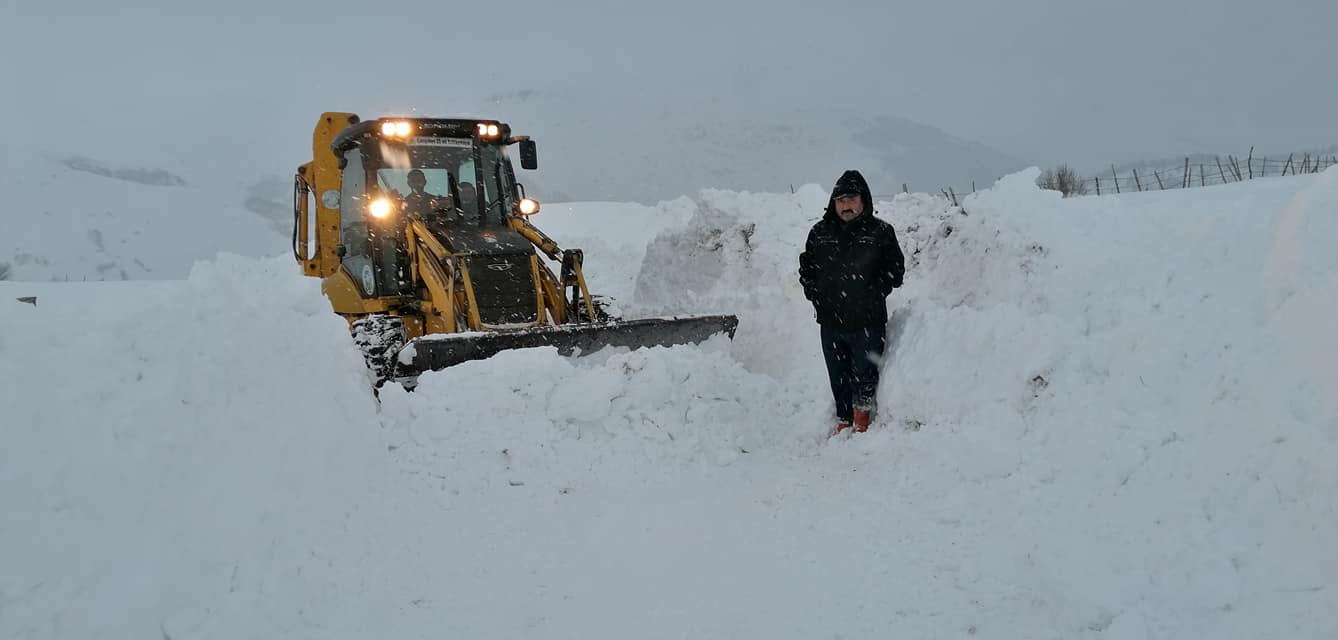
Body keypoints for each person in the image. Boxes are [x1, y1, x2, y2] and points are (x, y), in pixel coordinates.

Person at [798, 169, 905, 436]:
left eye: (851, 199)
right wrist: (815, 294)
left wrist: (873, 293)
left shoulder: (880, 232)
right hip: (831, 321)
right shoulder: (819, 233)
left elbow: (895, 270)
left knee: (866, 371)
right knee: (838, 373)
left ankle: (861, 419)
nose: (846, 205)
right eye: (841, 200)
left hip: (868, 320)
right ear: (833, 203)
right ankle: (843, 418)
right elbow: (806, 268)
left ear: (863, 200)